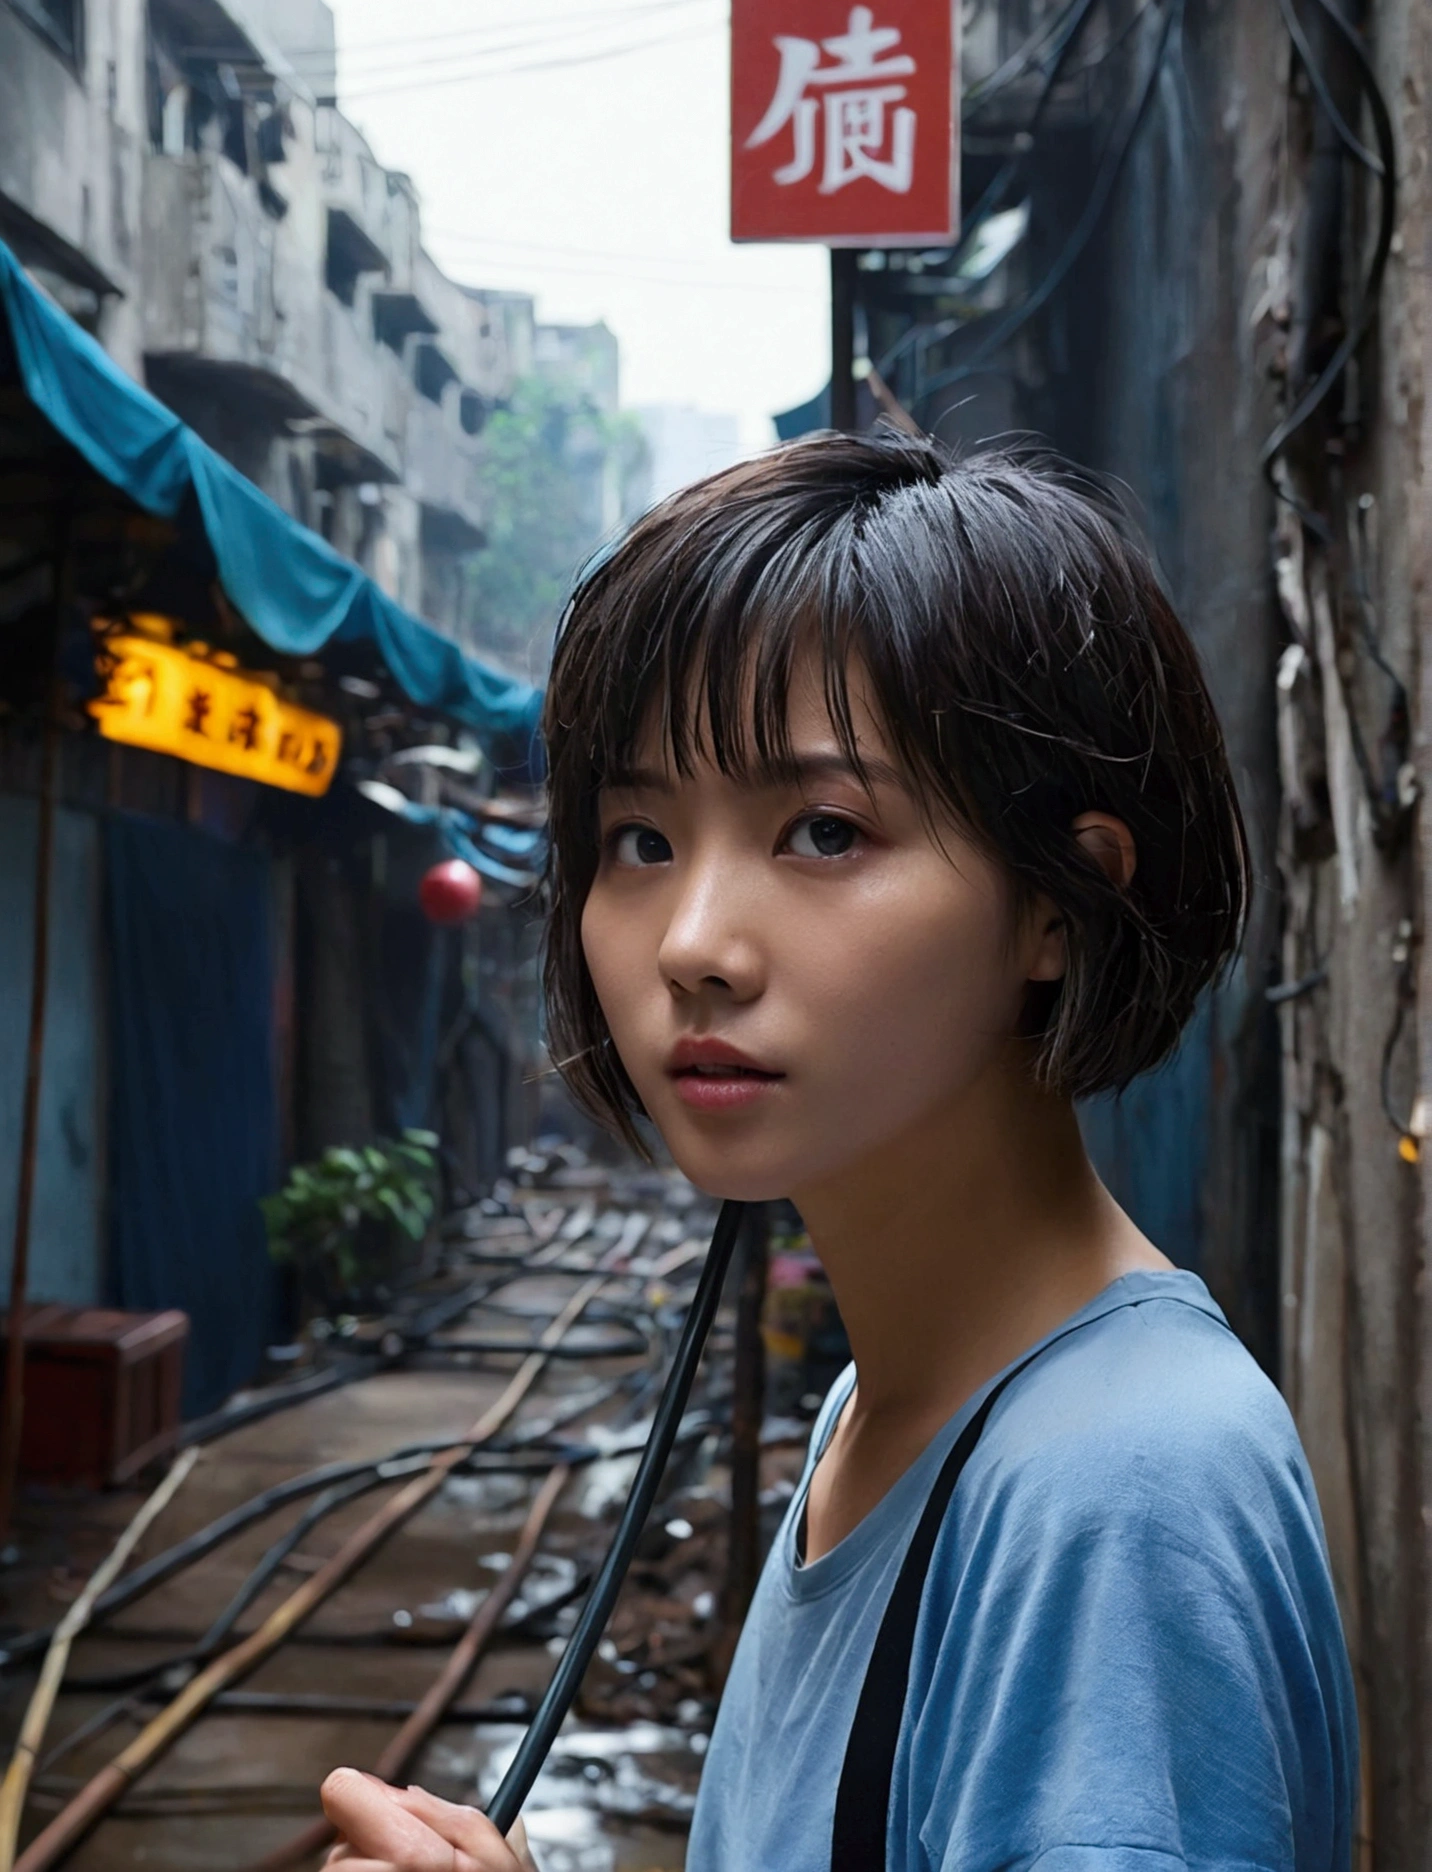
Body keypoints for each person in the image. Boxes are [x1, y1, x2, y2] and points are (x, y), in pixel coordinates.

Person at [321, 431, 1357, 1872]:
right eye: (637, 839)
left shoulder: (1114, 1497)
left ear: (1066, 903)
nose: (692, 946)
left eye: (821, 829)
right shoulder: (884, 1414)